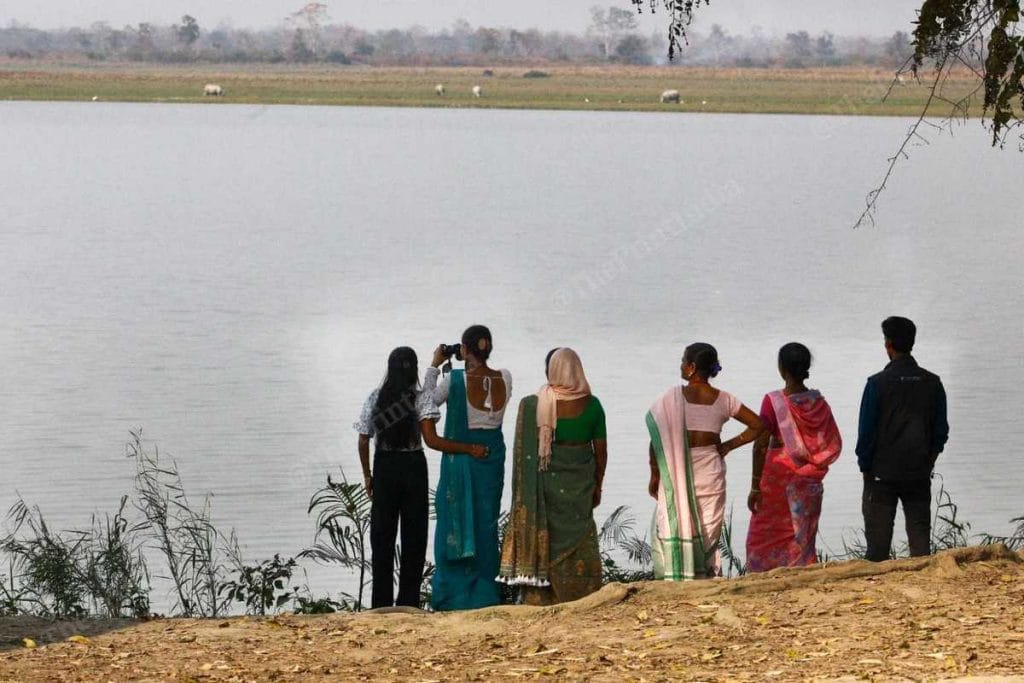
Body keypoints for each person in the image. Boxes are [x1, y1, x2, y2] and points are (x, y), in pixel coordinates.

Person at [355, 347, 486, 609]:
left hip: (384, 466)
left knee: (382, 537)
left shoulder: (375, 398)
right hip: (414, 467)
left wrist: (368, 475)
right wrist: (469, 448)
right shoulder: (419, 400)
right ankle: (409, 604)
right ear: (414, 369)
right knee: (414, 536)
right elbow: (432, 440)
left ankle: (380, 605)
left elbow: (363, 439)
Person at [498, 347, 607, 605]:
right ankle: (583, 594)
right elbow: (601, 453)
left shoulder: (533, 405)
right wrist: (598, 485)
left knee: (549, 536)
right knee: (580, 536)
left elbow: (525, 457)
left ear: (550, 371)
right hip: (581, 486)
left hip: (544, 490)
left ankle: (540, 595)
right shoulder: (593, 406)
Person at [646, 343, 764, 579]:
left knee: (673, 521)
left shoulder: (671, 398)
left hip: (676, 472)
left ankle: (676, 576)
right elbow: (758, 425)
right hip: (711, 472)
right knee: (708, 527)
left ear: (691, 368)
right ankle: (704, 576)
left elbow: (656, 440)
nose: (680, 365)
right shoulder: (725, 400)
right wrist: (729, 445)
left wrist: (655, 475)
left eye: (682, 361)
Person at [422, 325, 512, 610]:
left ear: (464, 349)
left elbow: (425, 403)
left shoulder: (455, 381)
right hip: (492, 461)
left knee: (455, 520)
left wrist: (434, 367)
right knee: (486, 523)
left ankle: (454, 593)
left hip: (463, 461)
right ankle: (486, 590)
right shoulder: (506, 378)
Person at [856, 316, 949, 561]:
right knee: (920, 546)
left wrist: (866, 468)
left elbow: (866, 434)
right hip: (918, 472)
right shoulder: (933, 382)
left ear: (888, 345)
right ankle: (928, 588)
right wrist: (929, 461)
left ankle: (877, 591)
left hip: (881, 474)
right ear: (912, 343)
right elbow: (941, 432)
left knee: (877, 549)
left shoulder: (876, 384)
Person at [746, 343, 843, 572]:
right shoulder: (819, 403)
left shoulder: (774, 401)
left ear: (782, 369)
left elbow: (760, 443)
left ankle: (765, 574)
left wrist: (754, 485)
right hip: (809, 477)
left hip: (777, 479)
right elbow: (831, 441)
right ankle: (801, 570)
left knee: (765, 533)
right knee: (801, 532)